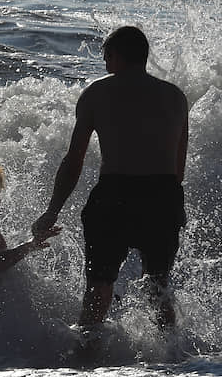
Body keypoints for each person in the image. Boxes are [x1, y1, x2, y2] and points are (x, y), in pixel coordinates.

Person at [32, 26, 188, 331]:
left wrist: (52, 210)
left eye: (106, 57)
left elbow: (74, 159)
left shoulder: (97, 93)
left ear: (115, 56)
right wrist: (172, 206)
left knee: (99, 287)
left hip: (115, 195)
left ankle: (86, 357)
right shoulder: (175, 97)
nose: (105, 65)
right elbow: (177, 167)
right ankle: (172, 361)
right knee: (158, 288)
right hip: (163, 196)